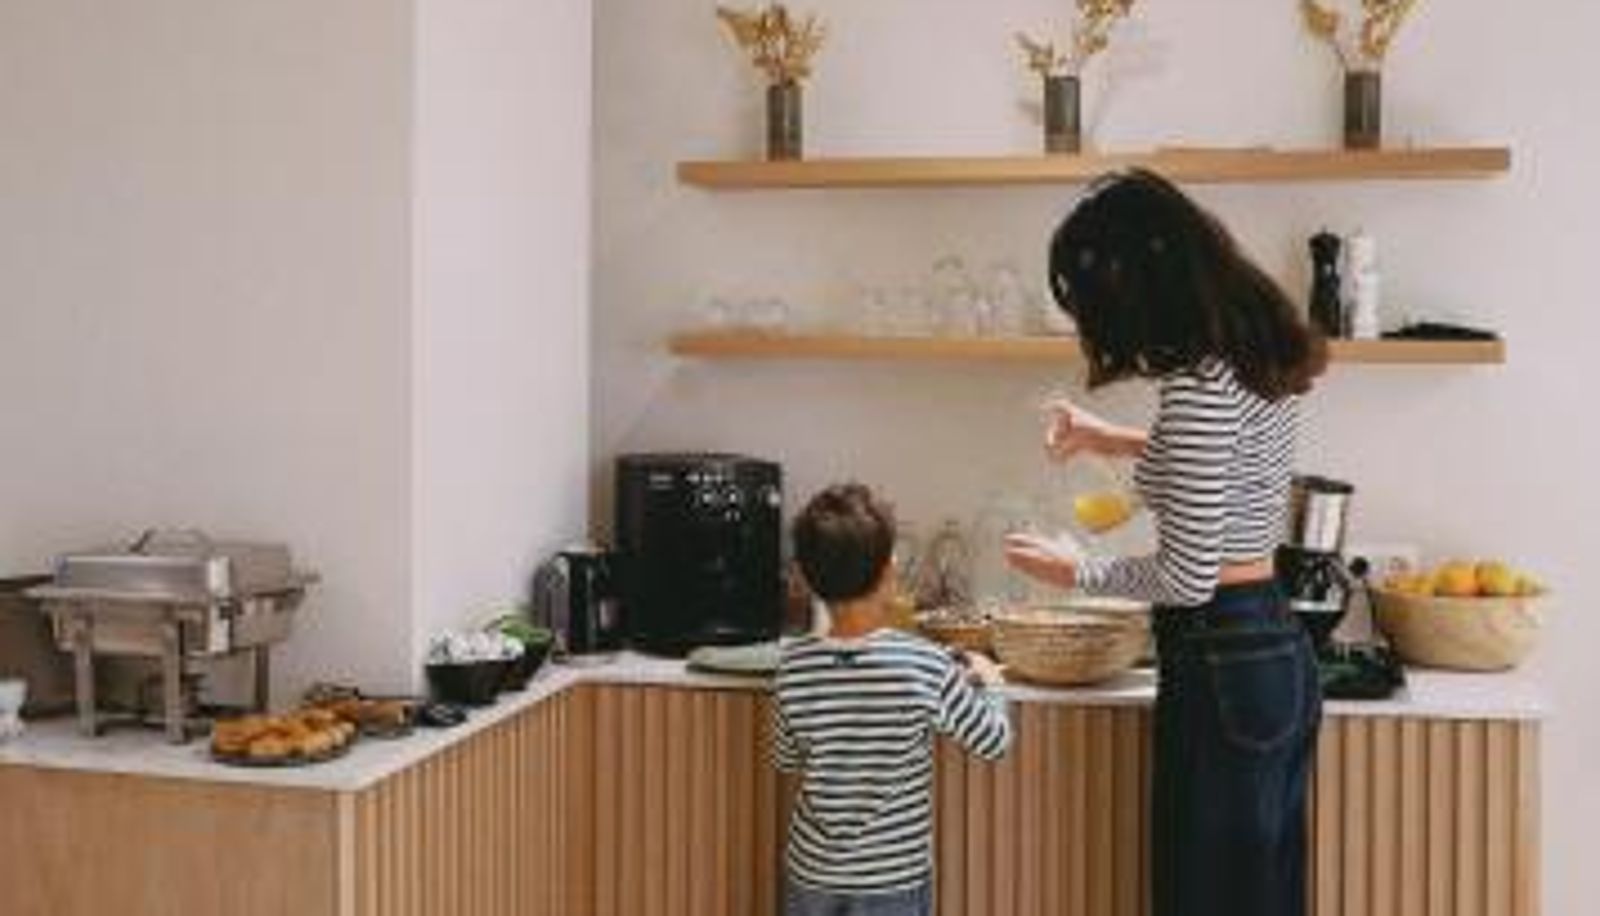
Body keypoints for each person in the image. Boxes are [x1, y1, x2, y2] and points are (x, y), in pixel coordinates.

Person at [1004, 169, 1326, 916]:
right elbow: (1219, 463)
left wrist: (1077, 570)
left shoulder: (1197, 383)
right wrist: (1107, 437)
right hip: (1271, 646)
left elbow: (1187, 577)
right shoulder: (1249, 353)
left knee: (1205, 898)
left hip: (1220, 654)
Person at [774, 483, 1012, 916]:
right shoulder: (923, 664)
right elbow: (994, 741)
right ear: (889, 574)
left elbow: (787, 759)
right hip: (891, 880)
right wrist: (992, 681)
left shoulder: (793, 665)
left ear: (805, 579)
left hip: (812, 872)